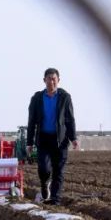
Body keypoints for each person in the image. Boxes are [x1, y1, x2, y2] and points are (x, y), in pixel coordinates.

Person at [26, 68, 77, 205]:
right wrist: (29, 142)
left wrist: (74, 138)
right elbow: (31, 121)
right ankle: (44, 184)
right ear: (44, 80)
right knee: (44, 168)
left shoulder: (65, 97)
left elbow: (69, 119)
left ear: (58, 80)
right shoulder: (37, 98)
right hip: (43, 139)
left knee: (58, 170)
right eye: (49, 78)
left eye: (54, 78)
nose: (51, 81)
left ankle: (55, 199)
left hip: (60, 140)